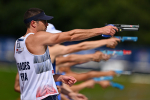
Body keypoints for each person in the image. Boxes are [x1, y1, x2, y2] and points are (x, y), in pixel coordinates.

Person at [14, 8, 119, 100]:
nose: (47, 24)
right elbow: (71, 35)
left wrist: (59, 78)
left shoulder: (19, 43)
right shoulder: (36, 38)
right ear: (33, 23)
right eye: (44, 21)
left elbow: (34, 76)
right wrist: (101, 30)